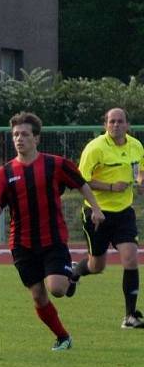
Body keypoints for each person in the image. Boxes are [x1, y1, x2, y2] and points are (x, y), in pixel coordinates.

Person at [0, 111, 104, 351]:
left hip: (53, 238)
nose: (19, 138)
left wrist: (96, 209)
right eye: (15, 134)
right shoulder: (4, 173)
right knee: (38, 295)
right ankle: (63, 337)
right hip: (21, 242)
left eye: (25, 134)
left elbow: (81, 183)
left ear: (36, 138)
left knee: (57, 289)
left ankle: (69, 281)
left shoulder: (55, 164)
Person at [70, 107, 144, 328]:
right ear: (105, 125)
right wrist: (110, 187)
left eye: (120, 121)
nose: (116, 125)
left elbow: (140, 170)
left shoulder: (136, 145)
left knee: (130, 258)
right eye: (111, 122)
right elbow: (79, 180)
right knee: (97, 265)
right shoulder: (95, 148)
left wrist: (140, 181)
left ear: (127, 125)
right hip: (97, 213)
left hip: (124, 213)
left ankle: (130, 316)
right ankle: (75, 271)